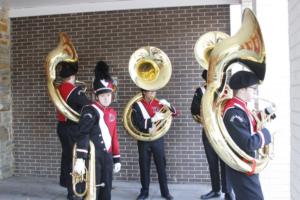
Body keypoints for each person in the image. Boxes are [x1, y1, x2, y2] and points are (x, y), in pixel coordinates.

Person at [73, 61, 121, 200]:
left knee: (107, 190)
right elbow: (83, 133)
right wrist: (80, 159)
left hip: (107, 156)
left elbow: (114, 137)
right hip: (93, 157)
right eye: (103, 96)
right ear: (96, 96)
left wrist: (116, 158)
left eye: (108, 95)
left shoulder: (112, 112)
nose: (106, 99)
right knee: (92, 190)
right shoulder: (90, 110)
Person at [223, 70, 272, 200]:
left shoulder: (241, 107)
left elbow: (248, 126)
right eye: (253, 88)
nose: (254, 92)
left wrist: (263, 117)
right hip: (242, 168)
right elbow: (248, 143)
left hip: (246, 165)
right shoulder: (233, 112)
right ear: (242, 89)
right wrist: (266, 134)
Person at [191, 70, 233, 200]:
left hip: (223, 132)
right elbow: (194, 109)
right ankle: (215, 190)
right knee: (212, 162)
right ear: (206, 79)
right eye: (210, 78)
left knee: (225, 162)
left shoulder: (226, 90)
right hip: (208, 131)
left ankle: (227, 192)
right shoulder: (200, 91)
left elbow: (231, 108)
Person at [132, 89, 177, 200]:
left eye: (154, 91)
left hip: (157, 139)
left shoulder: (159, 103)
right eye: (150, 91)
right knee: (144, 166)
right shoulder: (137, 105)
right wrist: (152, 119)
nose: (153, 93)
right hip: (143, 139)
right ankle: (144, 192)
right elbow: (136, 122)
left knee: (161, 166)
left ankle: (165, 192)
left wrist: (169, 105)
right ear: (144, 92)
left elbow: (175, 114)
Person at [56, 61, 90, 200]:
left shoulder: (58, 88)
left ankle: (66, 184)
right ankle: (75, 191)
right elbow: (87, 106)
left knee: (67, 157)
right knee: (76, 160)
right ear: (73, 75)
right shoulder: (75, 91)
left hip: (62, 127)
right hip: (73, 128)